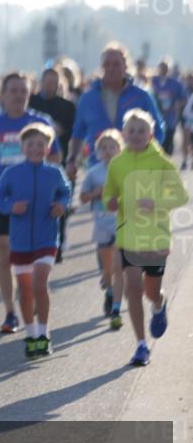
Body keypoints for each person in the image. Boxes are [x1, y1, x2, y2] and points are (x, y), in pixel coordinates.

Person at [0, 72, 59, 334]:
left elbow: (56, 155)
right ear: (2, 94)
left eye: (23, 90)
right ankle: (10, 311)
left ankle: (29, 294)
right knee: (5, 248)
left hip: (36, 202)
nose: (19, 95)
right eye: (13, 90)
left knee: (31, 255)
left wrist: (50, 183)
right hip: (5, 196)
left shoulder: (40, 122)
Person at [103, 109, 188, 366]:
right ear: (124, 134)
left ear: (151, 134)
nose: (137, 135)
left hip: (156, 238)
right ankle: (141, 345)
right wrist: (111, 202)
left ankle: (159, 304)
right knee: (132, 287)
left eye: (142, 131)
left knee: (151, 291)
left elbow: (182, 196)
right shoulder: (117, 164)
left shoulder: (162, 162)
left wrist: (157, 203)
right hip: (129, 236)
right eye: (132, 131)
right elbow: (109, 194)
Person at [0, 124, 71, 358]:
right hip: (21, 241)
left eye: (41, 144)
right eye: (31, 144)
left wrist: (61, 206)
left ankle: (44, 333)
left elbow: (65, 191)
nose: (36, 148)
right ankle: (31, 334)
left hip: (46, 238)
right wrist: (11, 207)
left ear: (47, 148)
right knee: (25, 291)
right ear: (22, 148)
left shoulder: (54, 172)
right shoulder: (12, 173)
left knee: (39, 284)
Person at [67, 42, 165, 180]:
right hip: (98, 168)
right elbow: (78, 133)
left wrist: (147, 154)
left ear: (125, 66)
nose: (111, 68)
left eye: (116, 64)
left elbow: (158, 130)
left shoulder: (141, 95)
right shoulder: (88, 98)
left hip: (133, 169)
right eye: (107, 64)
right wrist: (71, 160)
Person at [29, 67, 77, 263]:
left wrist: (74, 158)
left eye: (54, 82)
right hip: (34, 160)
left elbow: (75, 134)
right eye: (48, 81)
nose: (51, 85)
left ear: (60, 84)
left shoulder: (67, 106)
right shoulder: (32, 103)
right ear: (42, 82)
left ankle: (59, 240)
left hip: (59, 158)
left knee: (59, 201)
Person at [79, 130, 124, 328]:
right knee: (107, 270)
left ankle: (115, 303)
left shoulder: (126, 170)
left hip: (122, 224)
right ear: (98, 152)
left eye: (112, 147)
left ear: (119, 149)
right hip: (102, 224)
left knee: (118, 265)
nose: (107, 151)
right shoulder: (93, 173)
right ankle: (108, 288)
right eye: (103, 148)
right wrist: (95, 193)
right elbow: (82, 198)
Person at [151, 59, 185, 157]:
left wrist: (176, 106)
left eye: (165, 68)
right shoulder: (154, 81)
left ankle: (167, 165)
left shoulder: (175, 83)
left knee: (168, 144)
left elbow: (183, 99)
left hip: (170, 119)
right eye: (161, 68)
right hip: (156, 119)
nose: (163, 70)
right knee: (157, 143)